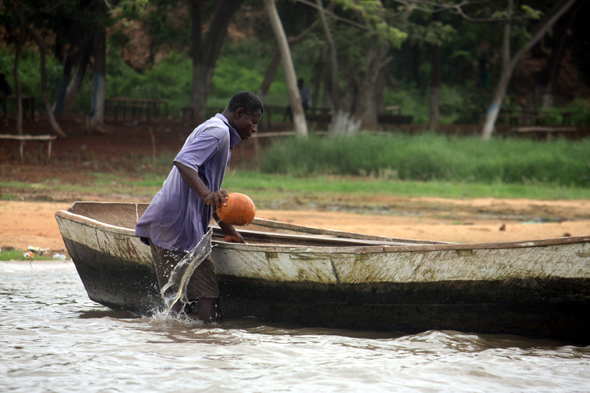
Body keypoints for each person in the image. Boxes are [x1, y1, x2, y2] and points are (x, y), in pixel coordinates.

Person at [136, 91, 264, 323]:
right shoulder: (218, 132)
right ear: (239, 113)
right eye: (253, 123)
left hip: (173, 223)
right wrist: (207, 194)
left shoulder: (217, 131)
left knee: (176, 302)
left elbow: (209, 190)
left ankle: (176, 345)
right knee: (207, 295)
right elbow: (183, 162)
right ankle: (211, 343)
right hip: (175, 224)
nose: (254, 129)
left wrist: (227, 230)